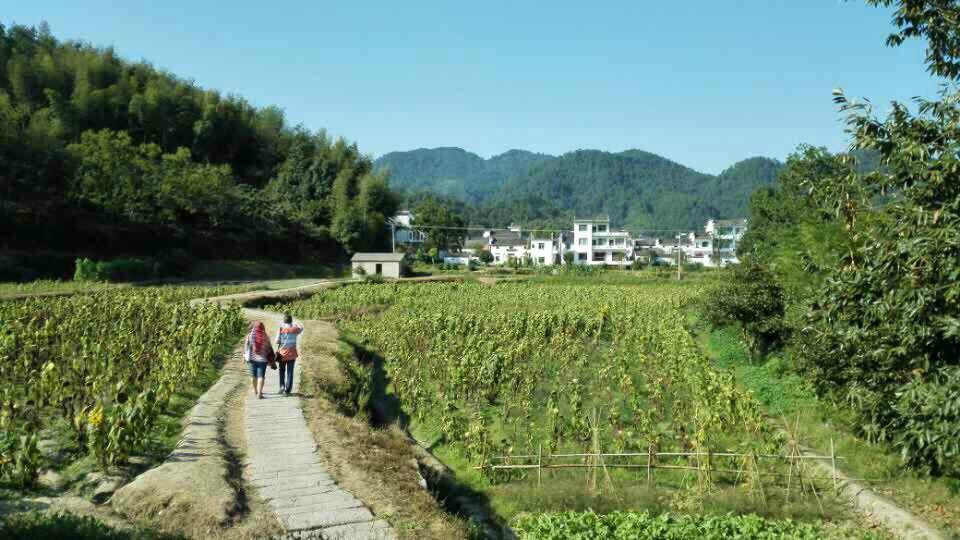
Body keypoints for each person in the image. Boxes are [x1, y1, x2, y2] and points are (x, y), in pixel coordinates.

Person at [244, 321, 274, 399]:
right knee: (261, 377)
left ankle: (255, 391)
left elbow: (246, 348)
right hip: (263, 360)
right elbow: (269, 349)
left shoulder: (250, 336)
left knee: (253, 376)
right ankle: (259, 393)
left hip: (252, 359)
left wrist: (244, 357)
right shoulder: (266, 336)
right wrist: (270, 360)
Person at [276, 314, 304, 395]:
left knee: (281, 371)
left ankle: (282, 387)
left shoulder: (281, 329)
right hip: (292, 353)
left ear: (284, 321)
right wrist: (295, 324)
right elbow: (302, 327)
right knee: (290, 372)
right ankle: (287, 390)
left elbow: (277, 341)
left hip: (282, 353)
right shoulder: (295, 329)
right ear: (291, 321)